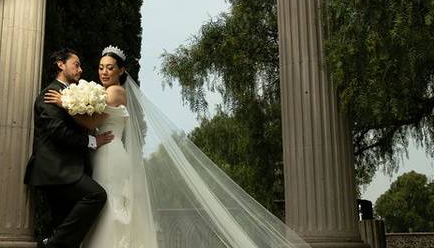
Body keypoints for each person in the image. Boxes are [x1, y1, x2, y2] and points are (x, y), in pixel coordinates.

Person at [44, 45, 311, 248]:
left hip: (111, 156)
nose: (103, 71)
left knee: (112, 208)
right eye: (101, 67)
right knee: (103, 208)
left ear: (121, 71)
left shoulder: (115, 93)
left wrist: (63, 103)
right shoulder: (99, 91)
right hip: (100, 154)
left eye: (110, 67)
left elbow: (93, 122)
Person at [24, 48, 115, 248]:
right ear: (60, 64)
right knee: (96, 195)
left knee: (63, 225)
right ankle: (51, 245)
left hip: (69, 168)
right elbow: (58, 132)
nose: (81, 69)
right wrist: (93, 142)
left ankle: (53, 242)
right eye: (76, 64)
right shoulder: (50, 94)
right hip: (55, 169)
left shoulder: (67, 94)